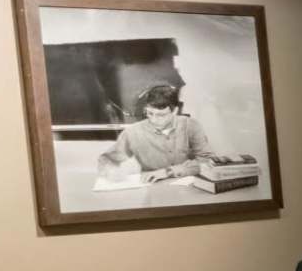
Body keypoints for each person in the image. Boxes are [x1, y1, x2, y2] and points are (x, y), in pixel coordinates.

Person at [92, 81, 236, 190]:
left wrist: (168, 172)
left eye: (161, 115)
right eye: (149, 113)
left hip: (191, 190)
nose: (154, 119)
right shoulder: (132, 132)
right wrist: (110, 171)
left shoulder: (191, 125)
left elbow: (207, 160)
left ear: (175, 111)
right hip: (153, 191)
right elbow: (106, 159)